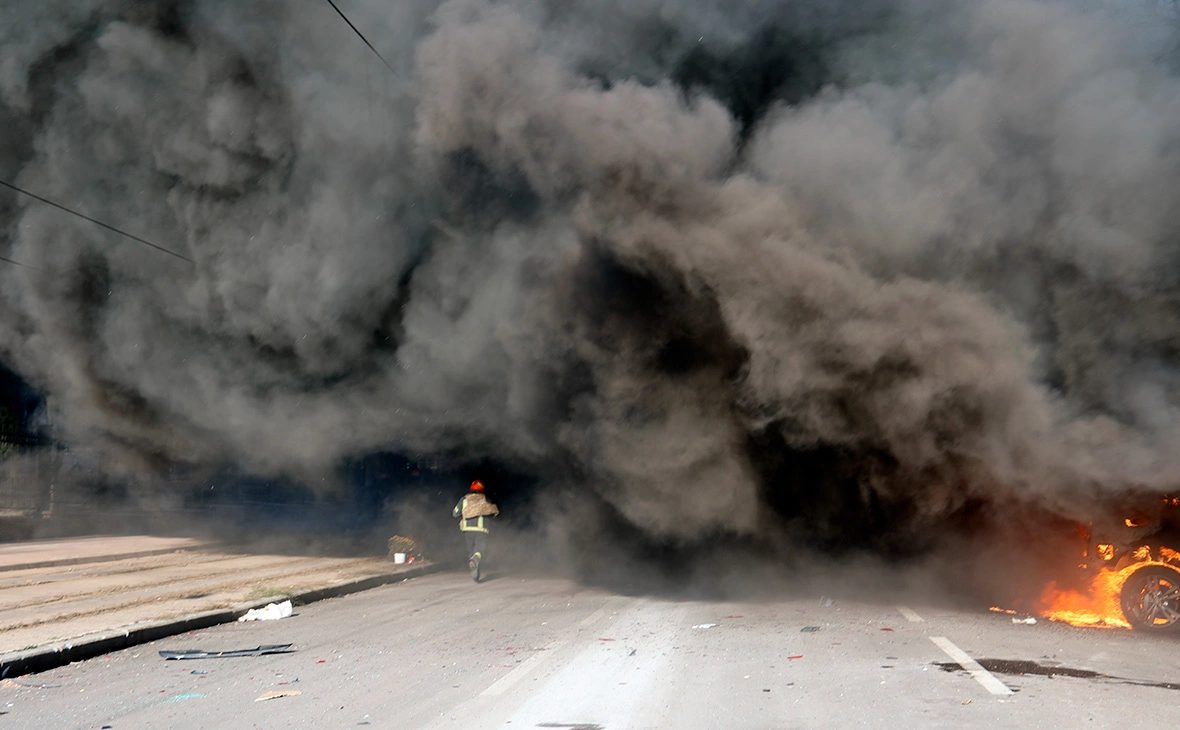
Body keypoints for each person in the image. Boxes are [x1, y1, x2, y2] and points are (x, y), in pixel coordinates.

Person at [452, 480, 499, 582]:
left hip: (467, 530)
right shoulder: (485, 500)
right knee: (480, 550)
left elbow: (455, 513)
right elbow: (492, 512)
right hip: (481, 530)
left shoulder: (464, 500)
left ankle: (475, 572)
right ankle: (475, 561)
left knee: (472, 551)